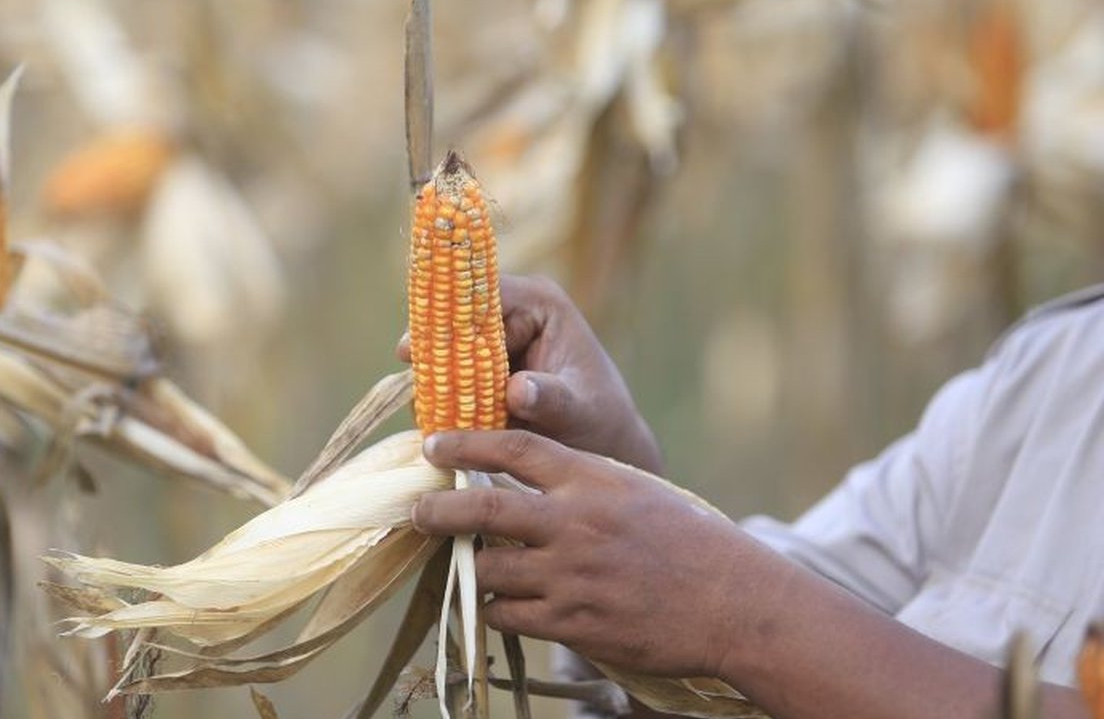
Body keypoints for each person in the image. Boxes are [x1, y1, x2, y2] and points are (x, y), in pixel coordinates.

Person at [401, 275, 1102, 719]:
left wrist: (735, 616)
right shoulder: (1052, 373)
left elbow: (754, 612)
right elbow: (790, 657)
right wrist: (608, 470)